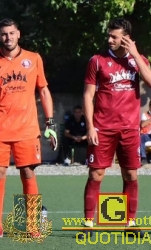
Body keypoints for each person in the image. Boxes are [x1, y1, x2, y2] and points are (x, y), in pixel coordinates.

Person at [79, 18, 151, 239]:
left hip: (130, 129)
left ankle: (129, 224)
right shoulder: (97, 60)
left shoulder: (138, 60)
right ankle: (88, 224)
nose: (109, 39)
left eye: (114, 36)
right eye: (109, 35)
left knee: (131, 174)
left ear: (126, 38)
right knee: (96, 174)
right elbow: (88, 95)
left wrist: (135, 54)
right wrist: (91, 126)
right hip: (103, 128)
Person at [0, 18, 57, 238]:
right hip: (1, 130)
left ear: (18, 34)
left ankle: (32, 225)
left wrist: (50, 123)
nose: (8, 37)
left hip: (26, 129)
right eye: (4, 34)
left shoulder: (33, 59)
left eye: (11, 33)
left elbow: (43, 90)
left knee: (28, 172)